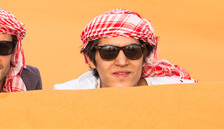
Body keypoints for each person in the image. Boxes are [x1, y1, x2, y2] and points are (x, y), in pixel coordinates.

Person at [55, 8, 196, 90]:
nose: (122, 62)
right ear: (90, 59)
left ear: (145, 57)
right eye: (108, 52)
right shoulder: (66, 95)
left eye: (132, 51)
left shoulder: (178, 91)